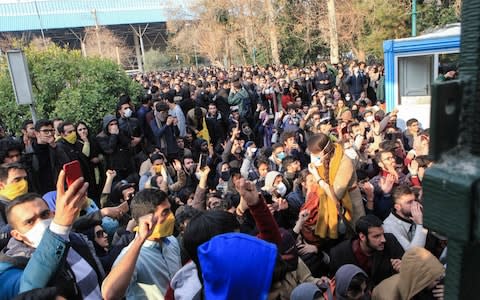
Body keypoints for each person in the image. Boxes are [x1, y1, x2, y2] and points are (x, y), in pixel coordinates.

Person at [0, 171, 103, 300]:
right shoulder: (11, 264)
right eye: (29, 222)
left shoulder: (75, 240)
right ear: (17, 235)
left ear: (53, 214)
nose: (41, 224)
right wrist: (59, 228)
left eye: (44, 215)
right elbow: (26, 290)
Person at [101, 189, 181, 299]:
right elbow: (109, 294)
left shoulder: (171, 241)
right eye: (165, 212)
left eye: (170, 210)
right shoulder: (131, 257)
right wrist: (140, 240)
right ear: (147, 219)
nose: (171, 216)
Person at [305, 133, 364, 242]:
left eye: (316, 154)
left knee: (355, 233)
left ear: (325, 151)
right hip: (329, 204)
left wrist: (318, 177)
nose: (314, 157)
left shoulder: (344, 161)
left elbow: (336, 194)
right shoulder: (322, 159)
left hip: (349, 202)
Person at [329, 215, 404, 286]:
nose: (383, 240)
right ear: (362, 237)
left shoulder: (390, 241)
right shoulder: (338, 254)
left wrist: (403, 267)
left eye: (382, 234)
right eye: (376, 236)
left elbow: (406, 265)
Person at [372, 247, 445, 300]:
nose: (440, 281)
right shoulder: (390, 296)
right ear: (421, 280)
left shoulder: (416, 283)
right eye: (437, 279)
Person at [382, 185, 427, 251]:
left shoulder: (411, 215)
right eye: (409, 202)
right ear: (398, 207)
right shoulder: (390, 227)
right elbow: (413, 252)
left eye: (415, 200)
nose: (415, 204)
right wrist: (421, 225)